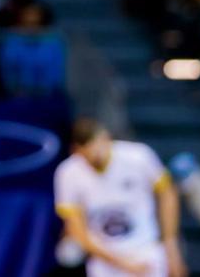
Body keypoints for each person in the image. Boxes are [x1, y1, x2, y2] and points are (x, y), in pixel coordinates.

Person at [53, 118, 187, 277]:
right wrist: (122, 264)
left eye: (96, 152)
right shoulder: (67, 173)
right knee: (68, 253)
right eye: (87, 156)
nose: (94, 159)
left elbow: (167, 194)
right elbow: (75, 229)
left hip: (146, 252)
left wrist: (170, 247)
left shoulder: (139, 156)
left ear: (105, 138)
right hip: (105, 260)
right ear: (76, 150)